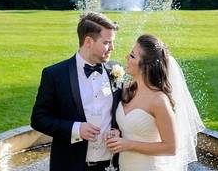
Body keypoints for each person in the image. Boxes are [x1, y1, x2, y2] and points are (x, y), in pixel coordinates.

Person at [32, 12, 123, 171]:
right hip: (71, 165)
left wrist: (118, 131)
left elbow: (123, 111)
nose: (112, 48)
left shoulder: (114, 70)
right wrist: (76, 129)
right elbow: (38, 119)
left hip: (111, 165)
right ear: (88, 41)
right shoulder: (55, 75)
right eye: (107, 42)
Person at [105, 35, 204, 171]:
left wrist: (129, 145)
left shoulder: (159, 100)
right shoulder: (127, 88)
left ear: (146, 66)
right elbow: (128, 128)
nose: (127, 57)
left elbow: (171, 148)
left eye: (133, 56)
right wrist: (117, 133)